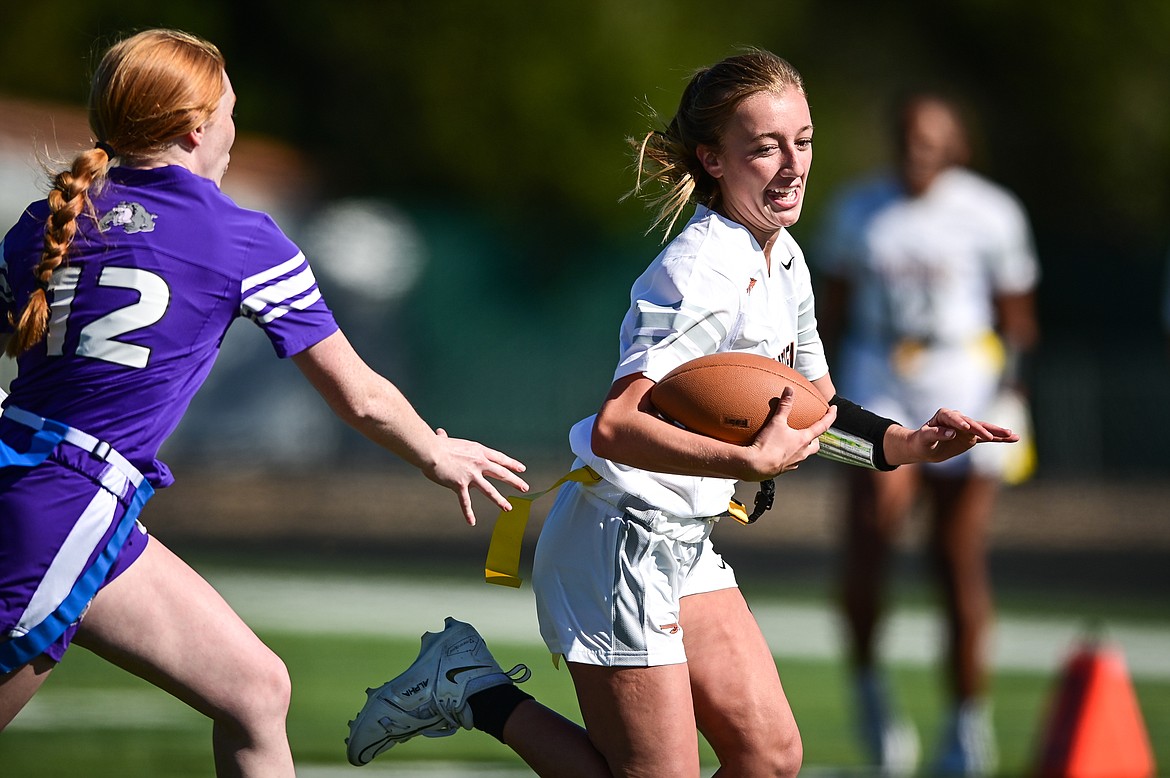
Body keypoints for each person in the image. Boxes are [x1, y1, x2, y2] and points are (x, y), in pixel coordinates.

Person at [345, 49, 1020, 777]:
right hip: (617, 544)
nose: (793, 165)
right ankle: (471, 689)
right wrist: (743, 461)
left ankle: (465, 684)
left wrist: (905, 444)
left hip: (683, 543)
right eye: (764, 148)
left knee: (769, 757)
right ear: (715, 160)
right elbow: (617, 425)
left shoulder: (783, 256)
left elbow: (815, 408)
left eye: (804, 141)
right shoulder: (699, 273)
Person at [0, 28, 530, 777]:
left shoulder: (42, 224)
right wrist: (435, 451)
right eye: (230, 115)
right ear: (195, 127)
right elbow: (362, 396)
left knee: (254, 689)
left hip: (59, 495)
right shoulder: (241, 237)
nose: (233, 133)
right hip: (66, 508)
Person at [815, 92, 1041, 775]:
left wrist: (1013, 393)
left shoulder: (991, 212)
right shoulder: (858, 209)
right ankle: (870, 694)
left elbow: (1019, 320)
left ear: (956, 145)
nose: (919, 151)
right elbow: (829, 312)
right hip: (878, 369)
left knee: (955, 555)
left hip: (961, 374)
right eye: (909, 137)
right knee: (867, 539)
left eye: (932, 139)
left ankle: (966, 724)